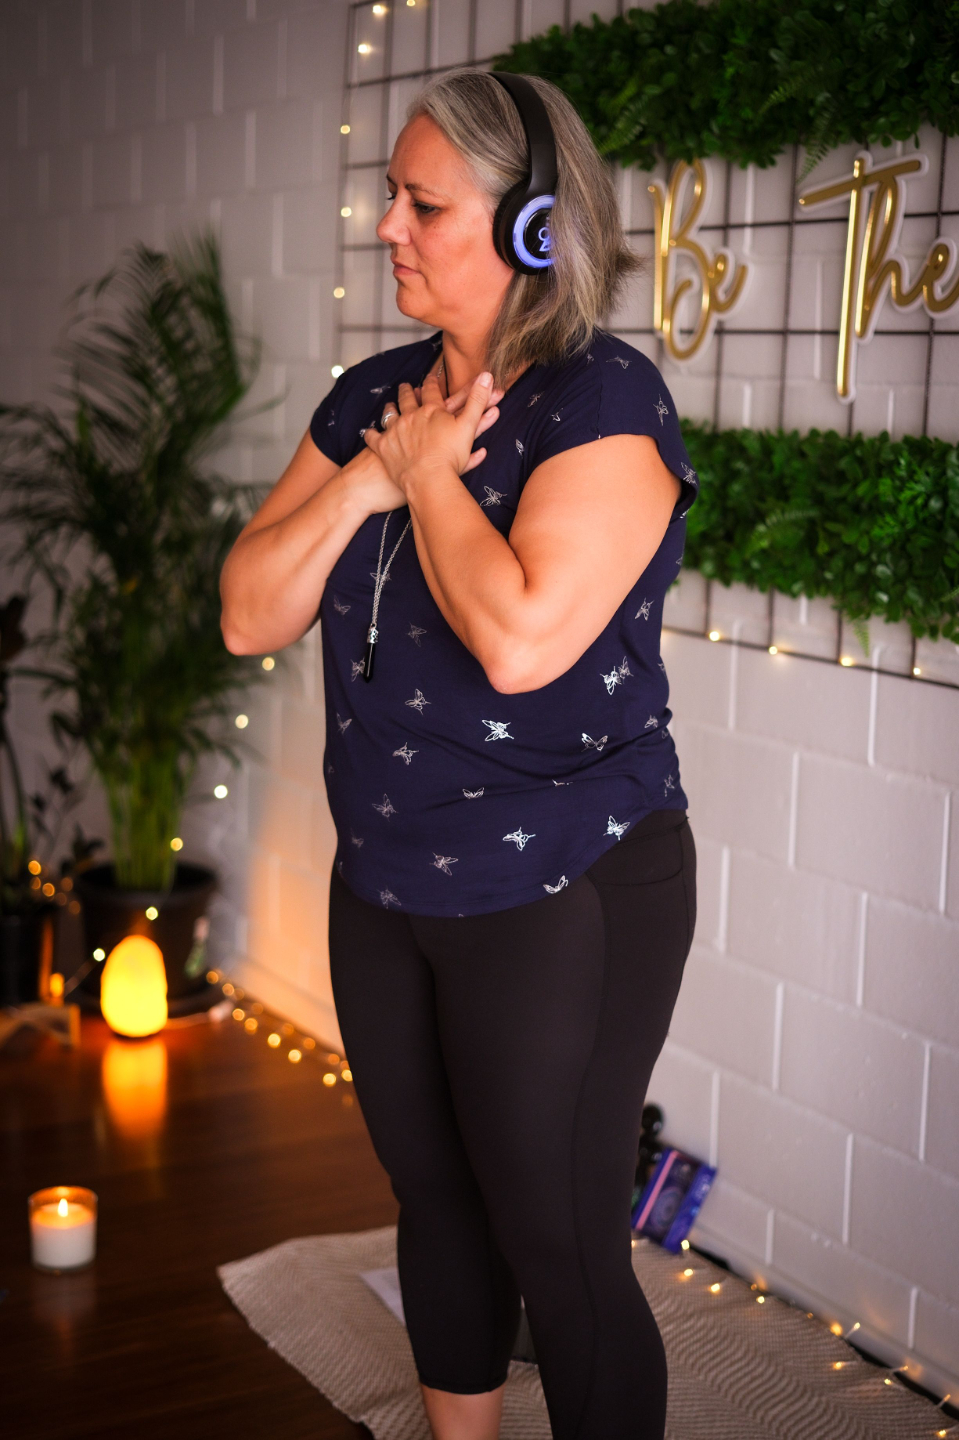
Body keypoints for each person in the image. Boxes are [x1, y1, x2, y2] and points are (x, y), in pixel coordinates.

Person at [221, 67, 697, 1440]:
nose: (387, 227)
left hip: (565, 889)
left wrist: (429, 475)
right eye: (392, 198)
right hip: (385, 879)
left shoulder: (603, 401)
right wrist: (373, 475)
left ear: (536, 226)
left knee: (559, 1240)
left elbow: (520, 642)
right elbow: (248, 610)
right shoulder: (373, 397)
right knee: (435, 1201)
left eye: (422, 204)